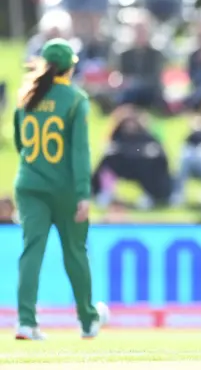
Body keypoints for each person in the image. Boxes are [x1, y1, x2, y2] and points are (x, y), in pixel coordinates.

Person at [12, 38, 109, 340]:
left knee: (31, 251)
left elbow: (19, 144)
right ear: (69, 68)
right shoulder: (75, 99)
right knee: (75, 253)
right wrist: (83, 194)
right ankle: (87, 320)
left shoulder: (26, 97)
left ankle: (26, 322)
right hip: (65, 189)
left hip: (29, 185)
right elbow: (80, 153)